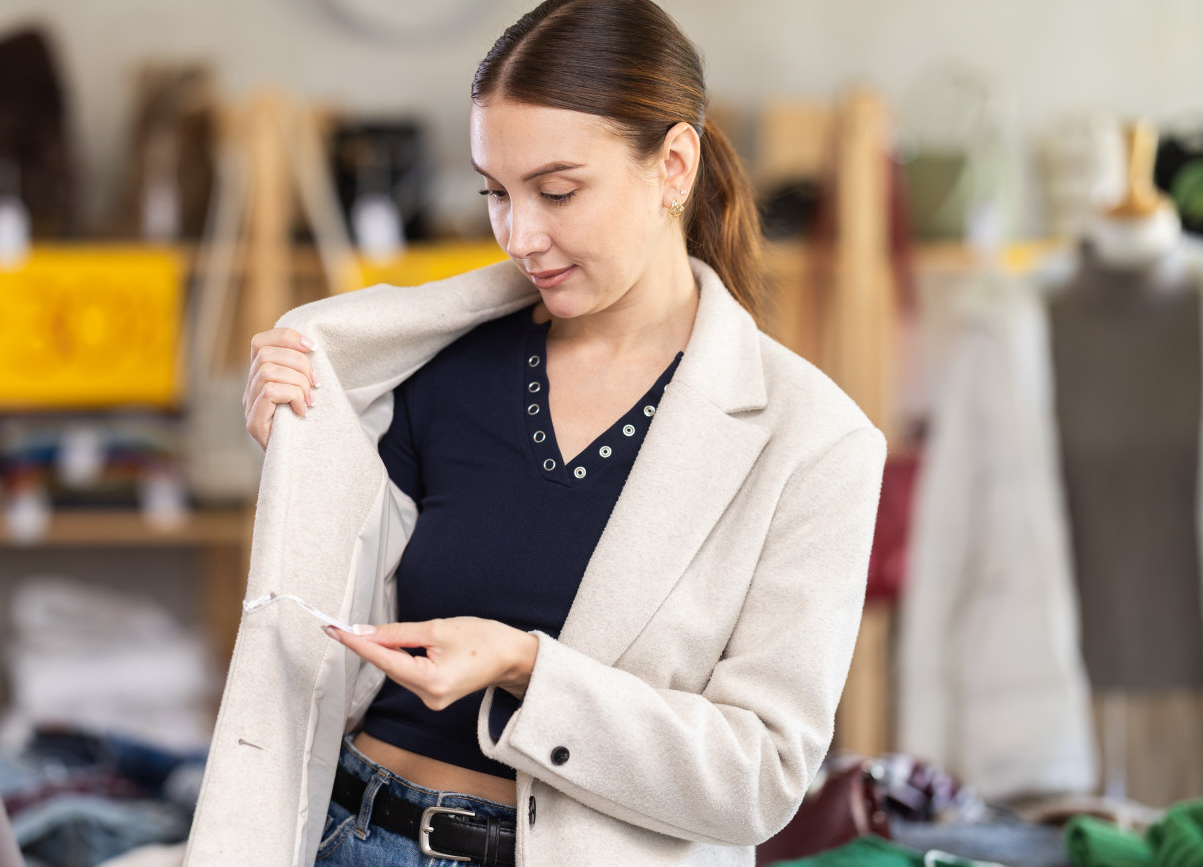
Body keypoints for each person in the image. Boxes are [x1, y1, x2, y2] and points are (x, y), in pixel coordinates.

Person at [185, 1, 886, 865]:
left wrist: (526, 667)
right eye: (495, 192)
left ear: (673, 164)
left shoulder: (812, 443)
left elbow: (760, 776)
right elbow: (334, 644)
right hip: (351, 834)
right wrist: (307, 457)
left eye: (557, 192)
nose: (520, 235)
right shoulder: (436, 365)